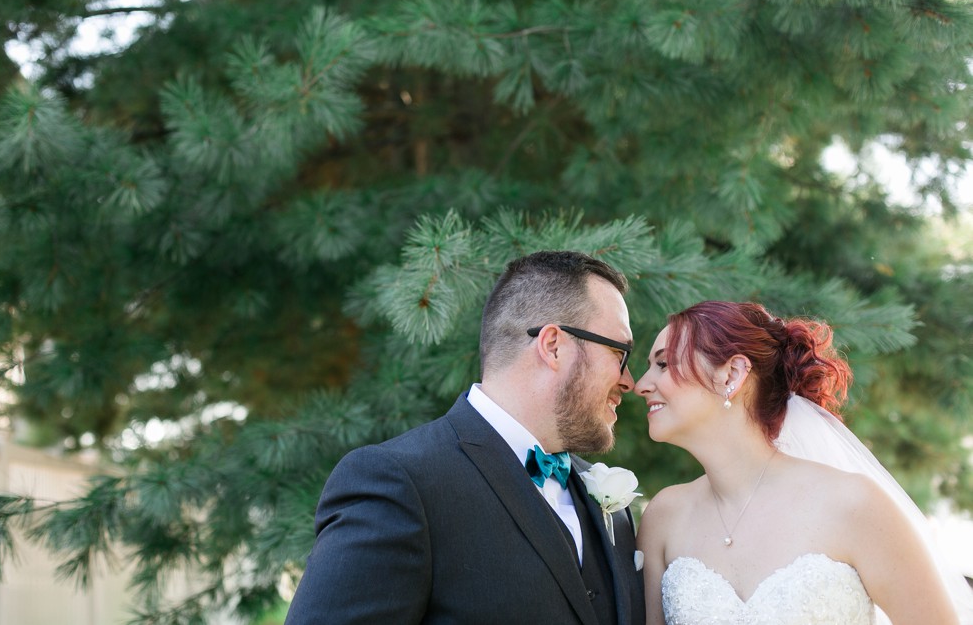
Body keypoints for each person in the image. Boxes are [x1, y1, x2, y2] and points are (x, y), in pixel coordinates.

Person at [284, 250, 646, 624]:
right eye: (619, 352)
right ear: (553, 345)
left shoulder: (612, 509)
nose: (629, 382)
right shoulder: (401, 483)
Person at [633, 300, 973, 625]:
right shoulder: (664, 517)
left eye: (663, 364)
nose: (641, 385)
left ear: (732, 375)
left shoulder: (853, 504)